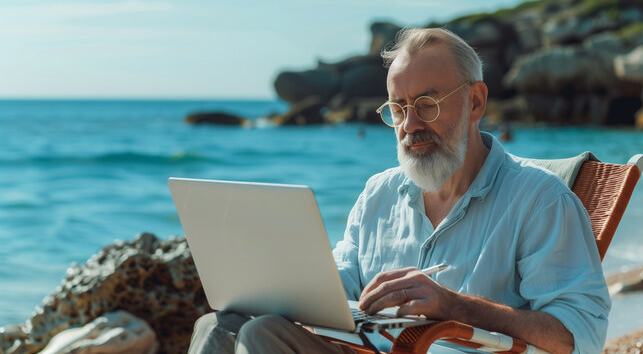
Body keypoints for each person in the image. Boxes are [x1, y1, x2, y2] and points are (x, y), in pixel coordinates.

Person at [187, 28, 610, 354]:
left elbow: (582, 335)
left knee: (261, 335)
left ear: (476, 102)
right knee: (218, 325)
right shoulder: (379, 193)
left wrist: (456, 307)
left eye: (427, 104)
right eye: (398, 107)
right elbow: (343, 284)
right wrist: (280, 283)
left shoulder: (540, 199)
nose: (409, 125)